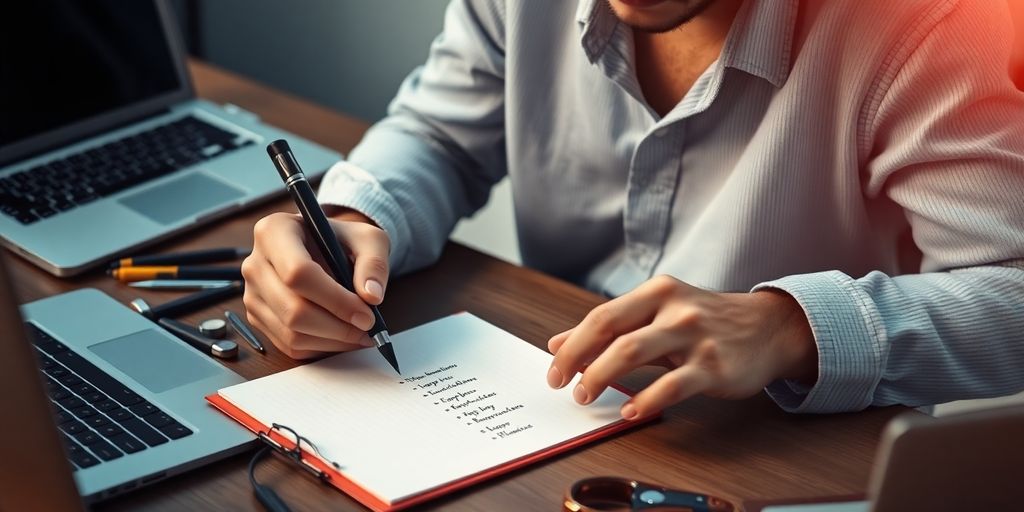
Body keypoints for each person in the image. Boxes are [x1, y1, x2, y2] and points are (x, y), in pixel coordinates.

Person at [240, 0, 1024, 418]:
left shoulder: (931, 24)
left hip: (774, 455)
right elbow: (440, 134)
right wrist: (354, 222)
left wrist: (792, 328)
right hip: (553, 412)